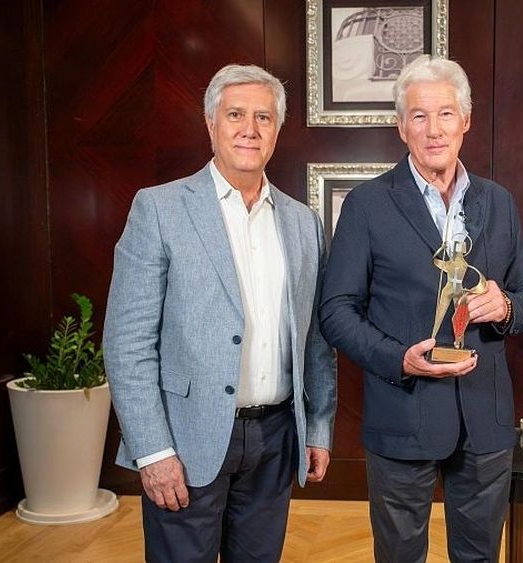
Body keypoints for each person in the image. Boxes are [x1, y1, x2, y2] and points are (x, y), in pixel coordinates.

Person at [103, 64, 337, 563]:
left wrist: (317, 427)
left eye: (263, 117)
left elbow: (316, 340)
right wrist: (153, 450)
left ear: (277, 130)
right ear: (211, 124)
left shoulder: (303, 222)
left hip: (276, 439)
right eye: (235, 115)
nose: (249, 129)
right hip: (185, 440)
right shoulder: (160, 209)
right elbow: (127, 344)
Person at [319, 55, 523, 562]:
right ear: (402, 127)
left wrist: (505, 306)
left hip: (485, 421)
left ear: (466, 121)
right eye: (419, 116)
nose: (434, 129)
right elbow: (336, 311)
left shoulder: (498, 202)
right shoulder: (367, 205)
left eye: (445, 114)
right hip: (402, 413)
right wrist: (398, 359)